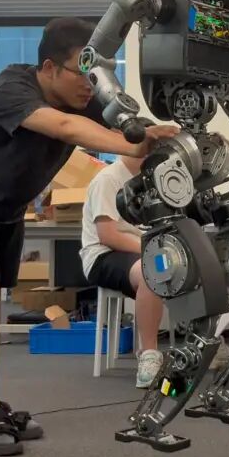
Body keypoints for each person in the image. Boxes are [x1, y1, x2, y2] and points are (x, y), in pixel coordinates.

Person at [0, 17, 177, 456]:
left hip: (5, 204)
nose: (91, 86)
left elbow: (124, 124)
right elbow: (65, 128)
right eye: (83, 74)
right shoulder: (11, 90)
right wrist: (133, 144)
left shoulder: (83, 95)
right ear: (49, 68)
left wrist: (164, 133)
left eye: (98, 75)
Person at [80, 154, 165, 388]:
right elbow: (108, 235)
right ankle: (149, 354)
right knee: (152, 269)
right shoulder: (108, 180)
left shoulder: (152, 178)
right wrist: (153, 249)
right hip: (103, 255)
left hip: (139, 251)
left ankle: (207, 342)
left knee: (189, 265)